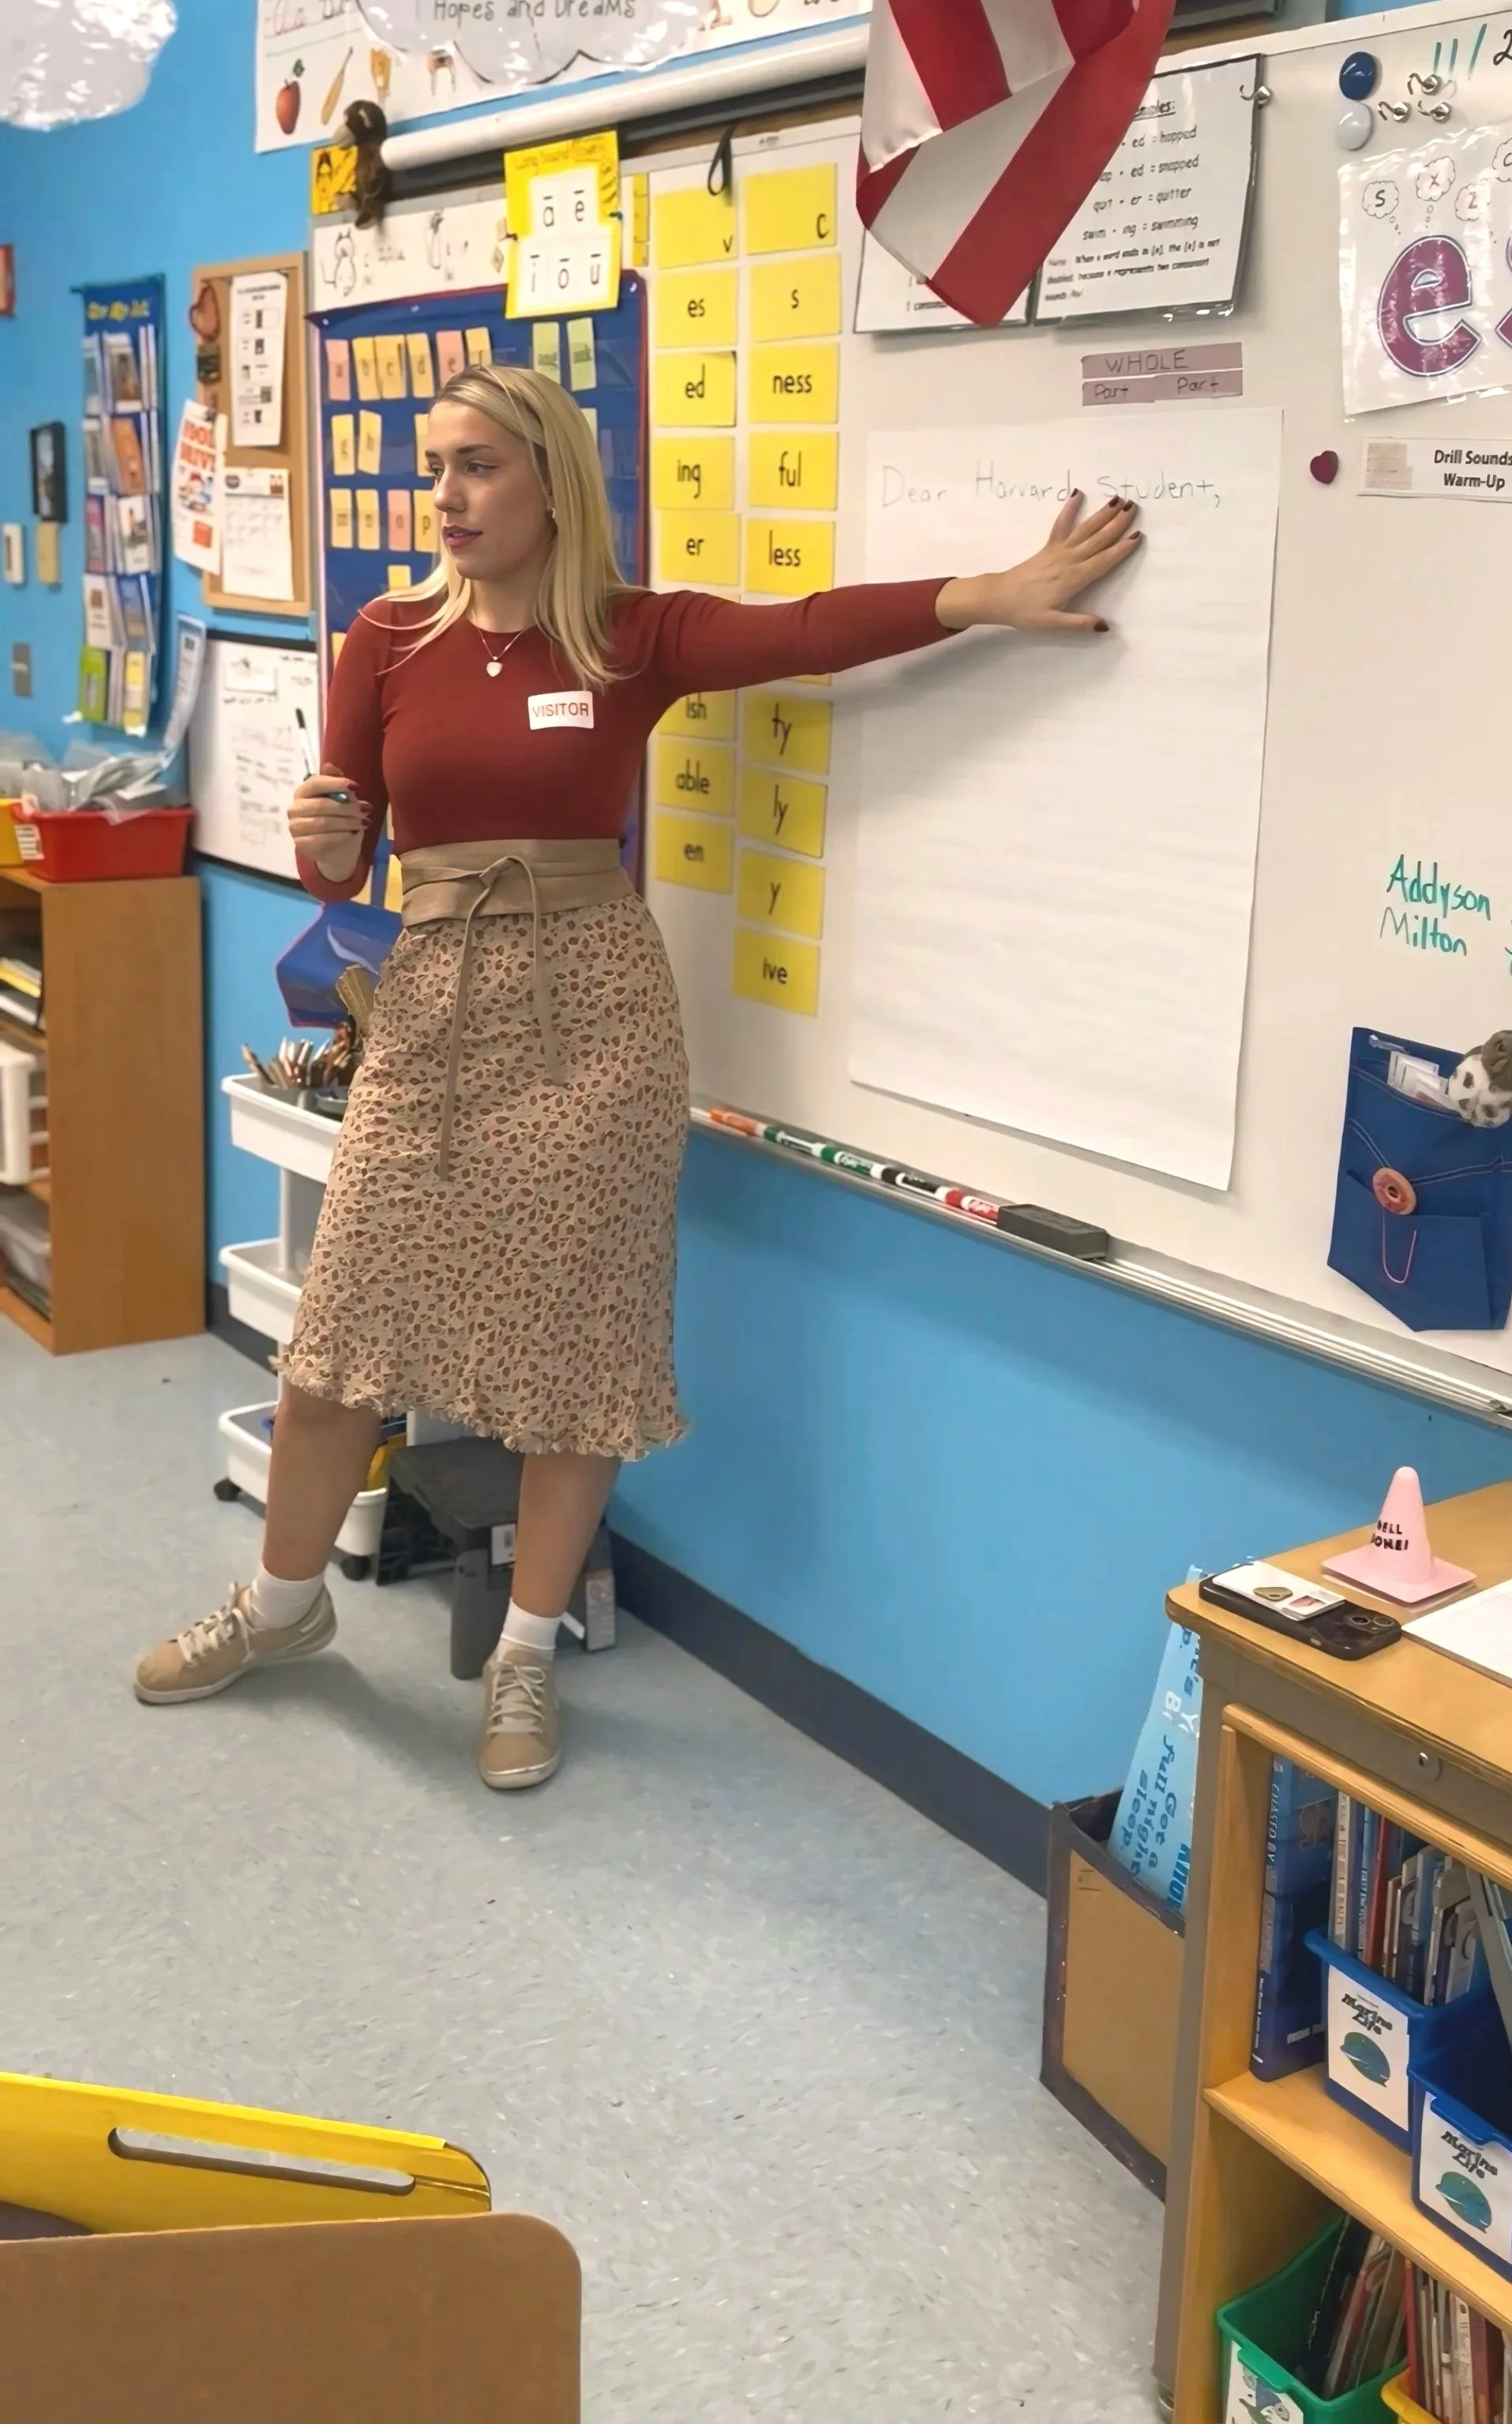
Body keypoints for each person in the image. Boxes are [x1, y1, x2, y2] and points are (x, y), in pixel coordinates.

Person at [134, 363, 1141, 1788]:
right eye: (434, 468)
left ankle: (524, 1658)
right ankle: (283, 1608)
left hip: (595, 1018)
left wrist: (985, 594)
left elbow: (808, 628)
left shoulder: (629, 634)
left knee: (576, 1358)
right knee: (339, 1342)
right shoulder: (386, 638)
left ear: (550, 478)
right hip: (432, 1012)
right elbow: (339, 869)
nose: (445, 497)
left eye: (476, 465)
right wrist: (325, 835)